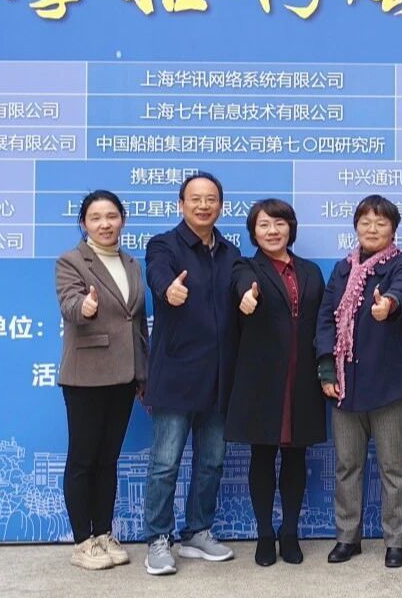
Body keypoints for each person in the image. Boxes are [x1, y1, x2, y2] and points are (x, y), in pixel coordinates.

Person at [141, 172, 240, 575]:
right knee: (166, 462)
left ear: (221, 206)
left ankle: (197, 531)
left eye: (211, 199)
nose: (203, 205)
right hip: (177, 374)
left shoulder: (230, 252)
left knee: (212, 461)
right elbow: (157, 274)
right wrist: (168, 289)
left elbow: (242, 286)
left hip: (219, 376)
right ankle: (157, 538)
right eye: (195, 199)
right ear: (181, 205)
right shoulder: (164, 245)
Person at [315, 195, 402, 569]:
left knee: (394, 468)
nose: (372, 229)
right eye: (365, 222)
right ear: (356, 226)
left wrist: (387, 304)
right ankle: (348, 537)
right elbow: (325, 318)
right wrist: (327, 369)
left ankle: (396, 541)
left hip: (389, 386)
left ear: (394, 229)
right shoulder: (342, 270)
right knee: (347, 466)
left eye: (381, 222)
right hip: (346, 385)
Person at [225, 199, 326, 566]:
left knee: (296, 456)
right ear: (254, 232)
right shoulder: (246, 267)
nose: (272, 231)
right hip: (262, 380)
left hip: (302, 378)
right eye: (264, 225)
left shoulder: (311, 271)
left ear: (291, 228)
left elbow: (322, 322)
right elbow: (242, 286)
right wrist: (247, 297)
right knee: (263, 456)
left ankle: (290, 532)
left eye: (279, 223)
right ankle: (265, 534)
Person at [54, 189, 147, 570]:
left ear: (122, 219)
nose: (105, 224)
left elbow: (137, 323)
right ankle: (83, 542)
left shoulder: (131, 263)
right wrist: (85, 306)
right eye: (96, 218)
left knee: (109, 459)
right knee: (83, 458)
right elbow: (69, 304)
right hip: (86, 376)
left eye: (111, 216)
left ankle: (104, 533)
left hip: (124, 376)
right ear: (84, 223)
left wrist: (143, 373)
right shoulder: (71, 261)